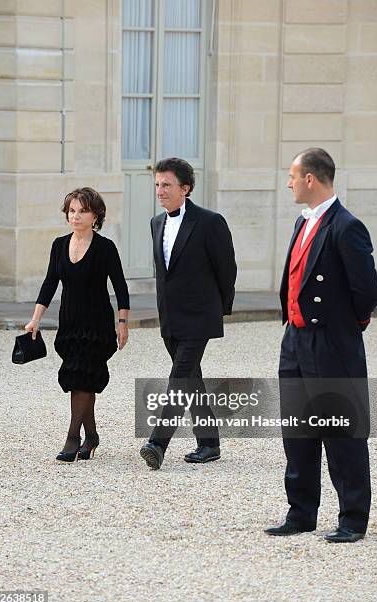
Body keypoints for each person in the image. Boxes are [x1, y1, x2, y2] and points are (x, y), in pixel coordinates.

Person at [265, 148, 377, 543]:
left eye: (293, 177)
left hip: (331, 342)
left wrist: (344, 331)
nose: (289, 183)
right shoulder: (304, 222)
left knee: (341, 431)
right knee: (297, 431)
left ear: (311, 179)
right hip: (295, 339)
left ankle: (352, 518)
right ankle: (301, 513)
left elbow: (367, 292)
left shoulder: (347, 226)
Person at [139, 157, 237, 470]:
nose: (160, 190)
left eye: (166, 184)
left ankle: (157, 442)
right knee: (191, 380)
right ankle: (209, 443)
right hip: (170, 317)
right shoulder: (156, 223)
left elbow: (227, 270)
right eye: (157, 184)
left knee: (178, 379)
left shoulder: (210, 222)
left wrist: (217, 311)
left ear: (186, 188)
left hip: (199, 316)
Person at [25, 187, 130, 462]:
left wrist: (123, 323)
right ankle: (92, 437)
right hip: (69, 323)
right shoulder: (59, 245)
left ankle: (72, 438)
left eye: (82, 210)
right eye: (72, 210)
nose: (76, 216)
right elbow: (49, 284)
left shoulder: (105, 248)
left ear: (96, 214)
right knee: (80, 379)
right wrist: (35, 319)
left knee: (83, 377)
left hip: (97, 326)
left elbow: (120, 288)